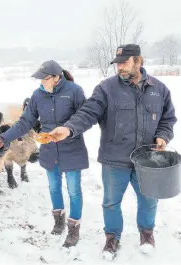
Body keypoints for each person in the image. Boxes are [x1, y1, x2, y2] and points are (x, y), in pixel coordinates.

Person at [48, 44, 177, 259]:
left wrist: (163, 136)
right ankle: (112, 237)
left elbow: (168, 119)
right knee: (110, 202)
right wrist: (69, 128)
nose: (120, 67)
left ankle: (146, 234)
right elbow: (88, 112)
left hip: (148, 160)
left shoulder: (159, 89)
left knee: (149, 200)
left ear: (138, 61)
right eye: (117, 63)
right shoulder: (106, 88)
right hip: (114, 159)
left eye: (124, 62)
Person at [0, 60, 89, 248]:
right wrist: (3, 138)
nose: (41, 82)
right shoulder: (38, 95)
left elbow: (85, 118)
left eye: (44, 79)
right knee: (54, 188)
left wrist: (68, 130)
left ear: (56, 77)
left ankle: (74, 227)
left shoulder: (74, 91)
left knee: (74, 190)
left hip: (72, 149)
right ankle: (59, 221)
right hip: (49, 150)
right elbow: (24, 122)